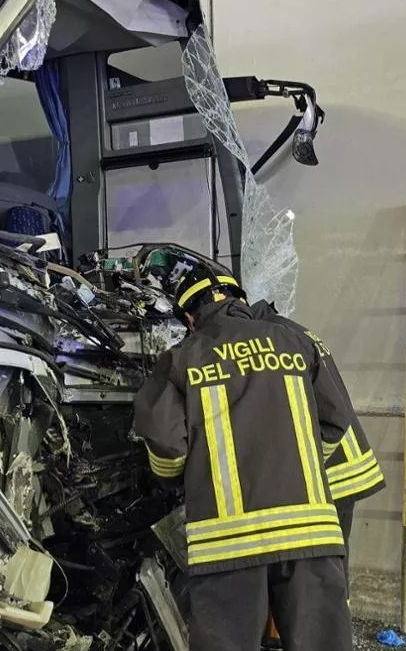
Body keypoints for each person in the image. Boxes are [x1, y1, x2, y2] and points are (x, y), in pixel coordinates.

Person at [133, 265, 356, 651]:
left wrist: (178, 479)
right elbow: (336, 420)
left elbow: (167, 446)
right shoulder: (294, 341)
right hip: (311, 531)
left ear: (190, 318)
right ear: (240, 300)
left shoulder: (180, 359)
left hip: (228, 542)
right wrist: (296, 468)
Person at [249, 300, 385, 632]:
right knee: (332, 567)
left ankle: (327, 634)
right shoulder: (293, 331)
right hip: (348, 463)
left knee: (320, 574)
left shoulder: (269, 341)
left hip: (329, 470)